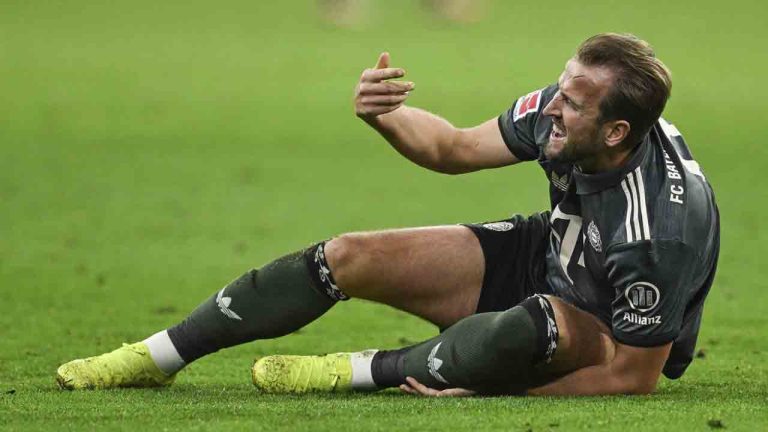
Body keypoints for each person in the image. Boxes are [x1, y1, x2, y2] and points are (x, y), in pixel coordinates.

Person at [56, 33, 719, 397]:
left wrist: (498, 390)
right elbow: (454, 147)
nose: (553, 107)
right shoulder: (564, 113)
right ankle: (154, 357)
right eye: (562, 89)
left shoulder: (662, 229)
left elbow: (635, 375)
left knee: (528, 328)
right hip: (552, 254)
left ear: (616, 132)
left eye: (573, 104)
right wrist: (387, 116)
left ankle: (361, 370)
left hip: (601, 327)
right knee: (351, 255)